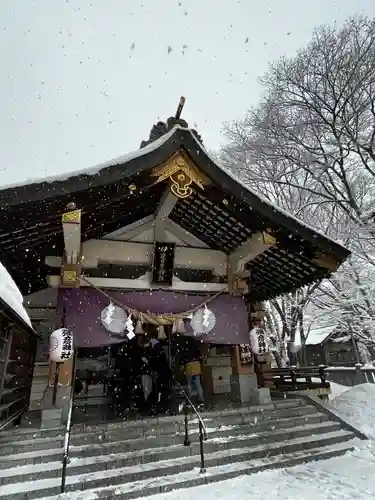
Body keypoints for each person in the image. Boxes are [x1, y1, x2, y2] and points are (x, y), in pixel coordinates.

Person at [143, 325, 172, 415]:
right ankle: (163, 407)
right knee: (163, 391)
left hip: (160, 373)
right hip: (163, 372)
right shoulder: (158, 347)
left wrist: (149, 363)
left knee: (160, 390)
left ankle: (159, 407)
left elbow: (155, 361)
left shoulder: (155, 348)